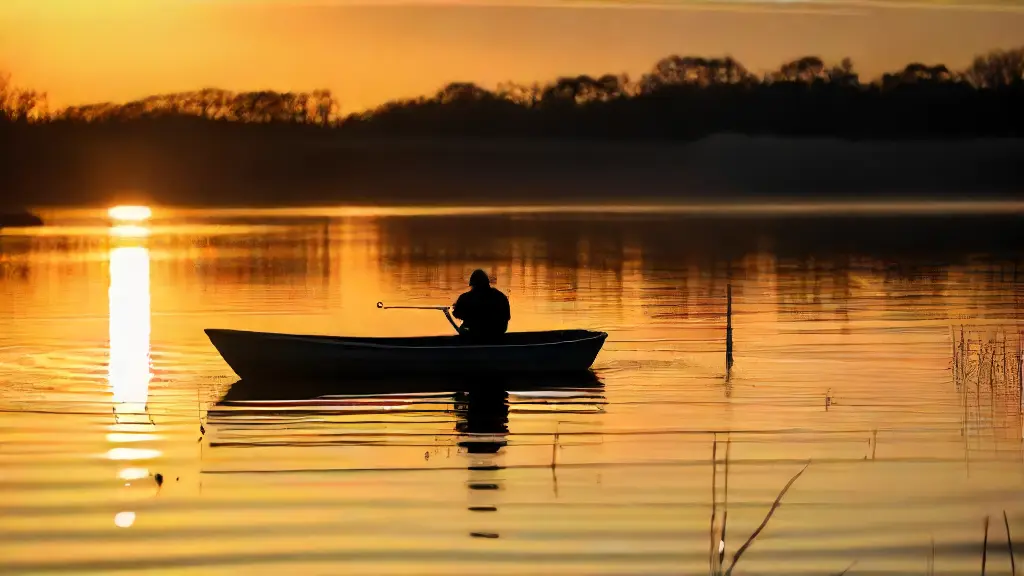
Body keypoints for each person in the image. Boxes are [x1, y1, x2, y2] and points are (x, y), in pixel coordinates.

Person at [452, 269, 511, 339]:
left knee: (463, 328)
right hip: (498, 333)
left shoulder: (466, 297)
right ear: (487, 283)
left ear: (473, 285)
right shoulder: (500, 296)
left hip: (476, 333)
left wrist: (457, 308)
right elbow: (507, 317)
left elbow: (457, 314)